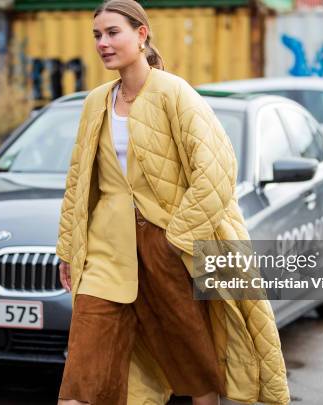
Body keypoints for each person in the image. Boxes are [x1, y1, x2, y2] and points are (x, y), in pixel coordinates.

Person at [55, 1, 290, 404]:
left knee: (197, 371)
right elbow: (78, 180)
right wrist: (67, 251)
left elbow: (217, 168)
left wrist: (177, 237)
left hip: (167, 251)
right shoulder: (96, 101)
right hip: (105, 253)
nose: (103, 43)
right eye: (97, 35)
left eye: (113, 32)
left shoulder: (173, 92)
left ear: (141, 34)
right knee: (81, 379)